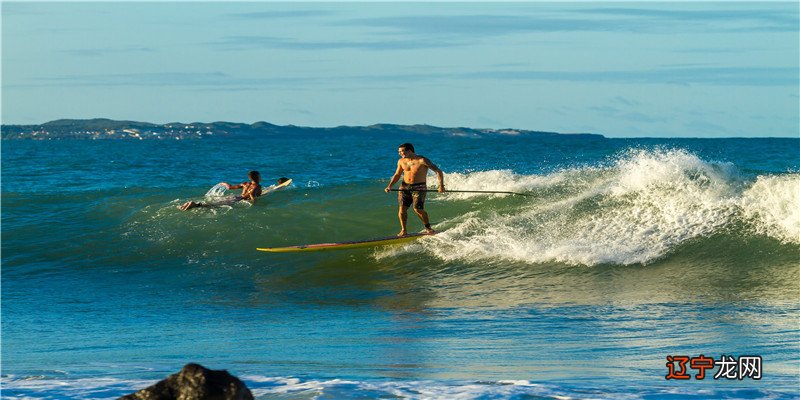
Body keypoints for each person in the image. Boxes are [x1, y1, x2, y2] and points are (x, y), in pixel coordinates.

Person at [384, 143, 445, 236]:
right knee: (402, 209)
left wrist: (441, 186)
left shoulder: (422, 160)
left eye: (402, 151)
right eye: (399, 152)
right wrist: (389, 186)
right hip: (404, 187)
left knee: (417, 209)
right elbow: (397, 174)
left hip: (419, 187)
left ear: (410, 151)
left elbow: (438, 171)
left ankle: (428, 228)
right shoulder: (401, 161)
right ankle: (403, 230)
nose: (400, 153)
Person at [179, 170, 264, 211]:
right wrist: (255, 205)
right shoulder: (257, 186)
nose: (260, 177)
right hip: (239, 199)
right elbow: (252, 195)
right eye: (260, 176)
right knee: (215, 206)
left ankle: (190, 204)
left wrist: (223, 183)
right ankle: (194, 204)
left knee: (215, 203)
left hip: (235, 197)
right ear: (257, 177)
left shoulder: (245, 184)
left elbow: (229, 187)